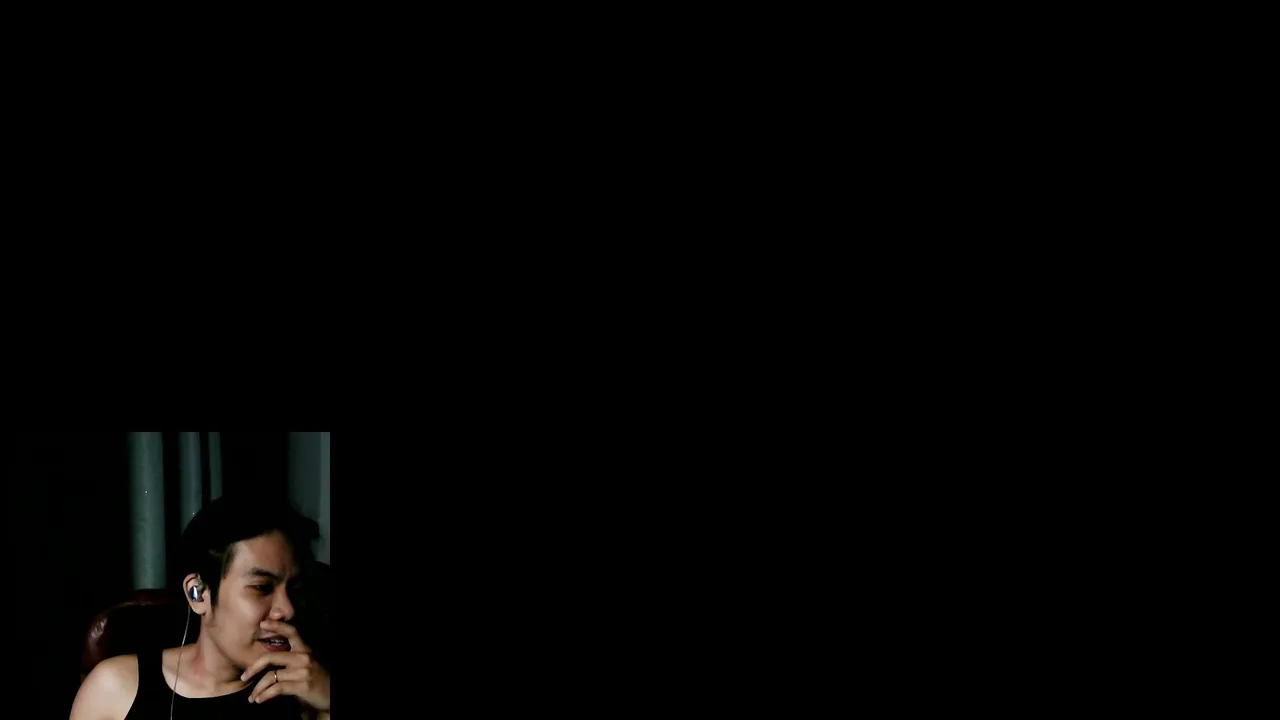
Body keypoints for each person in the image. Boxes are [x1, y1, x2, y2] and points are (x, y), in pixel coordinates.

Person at [70, 497, 332, 719]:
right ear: (198, 593)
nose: (287, 610)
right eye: (262, 587)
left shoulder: (307, 697)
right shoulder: (115, 689)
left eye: (296, 589)